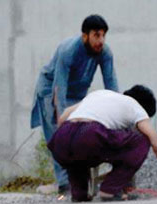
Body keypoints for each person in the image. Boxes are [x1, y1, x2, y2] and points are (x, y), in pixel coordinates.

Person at [48, 86, 157, 202]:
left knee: (78, 153)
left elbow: (65, 115)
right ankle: (110, 190)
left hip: (61, 139)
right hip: (90, 135)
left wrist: (70, 138)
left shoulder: (100, 94)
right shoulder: (136, 107)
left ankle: (80, 193)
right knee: (142, 140)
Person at [31, 14, 119, 194]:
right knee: (58, 132)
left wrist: (118, 113)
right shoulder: (68, 50)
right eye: (96, 35)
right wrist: (62, 118)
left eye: (103, 35)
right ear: (85, 36)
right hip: (51, 90)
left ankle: (80, 179)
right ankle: (64, 183)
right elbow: (59, 88)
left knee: (80, 133)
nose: (101, 40)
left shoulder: (105, 53)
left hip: (77, 94)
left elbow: (111, 85)